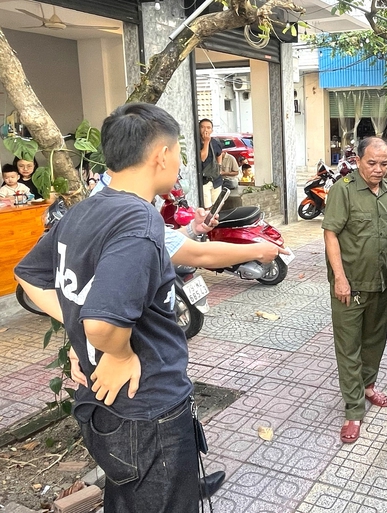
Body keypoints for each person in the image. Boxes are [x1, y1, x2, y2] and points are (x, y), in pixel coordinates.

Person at [14, 103, 216, 512]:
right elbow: (103, 324)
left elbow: (29, 276)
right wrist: (118, 352)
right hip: (148, 411)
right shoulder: (139, 222)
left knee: (126, 500)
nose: (180, 161)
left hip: (107, 410)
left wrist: (75, 320)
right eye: (179, 151)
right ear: (160, 154)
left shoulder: (86, 209)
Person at [322, 137, 387, 444]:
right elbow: (331, 236)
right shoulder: (343, 191)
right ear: (358, 160)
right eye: (372, 163)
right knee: (349, 348)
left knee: (374, 341)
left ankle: (368, 386)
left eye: (383, 164)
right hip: (351, 286)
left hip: (383, 282)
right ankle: (354, 410)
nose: (378, 170)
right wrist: (340, 279)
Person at [90, 169, 285, 268]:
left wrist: (193, 228)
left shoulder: (102, 198)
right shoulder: (129, 210)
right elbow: (200, 255)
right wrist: (258, 250)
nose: (178, 175)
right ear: (160, 157)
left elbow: (160, 243)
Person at [199, 118, 223, 208]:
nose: (205, 130)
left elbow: (219, 154)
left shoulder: (215, 142)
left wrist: (219, 166)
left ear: (212, 130)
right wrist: (206, 142)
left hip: (216, 179)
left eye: (208, 128)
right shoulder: (197, 142)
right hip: (204, 179)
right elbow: (202, 158)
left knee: (216, 206)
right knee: (207, 207)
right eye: (202, 127)